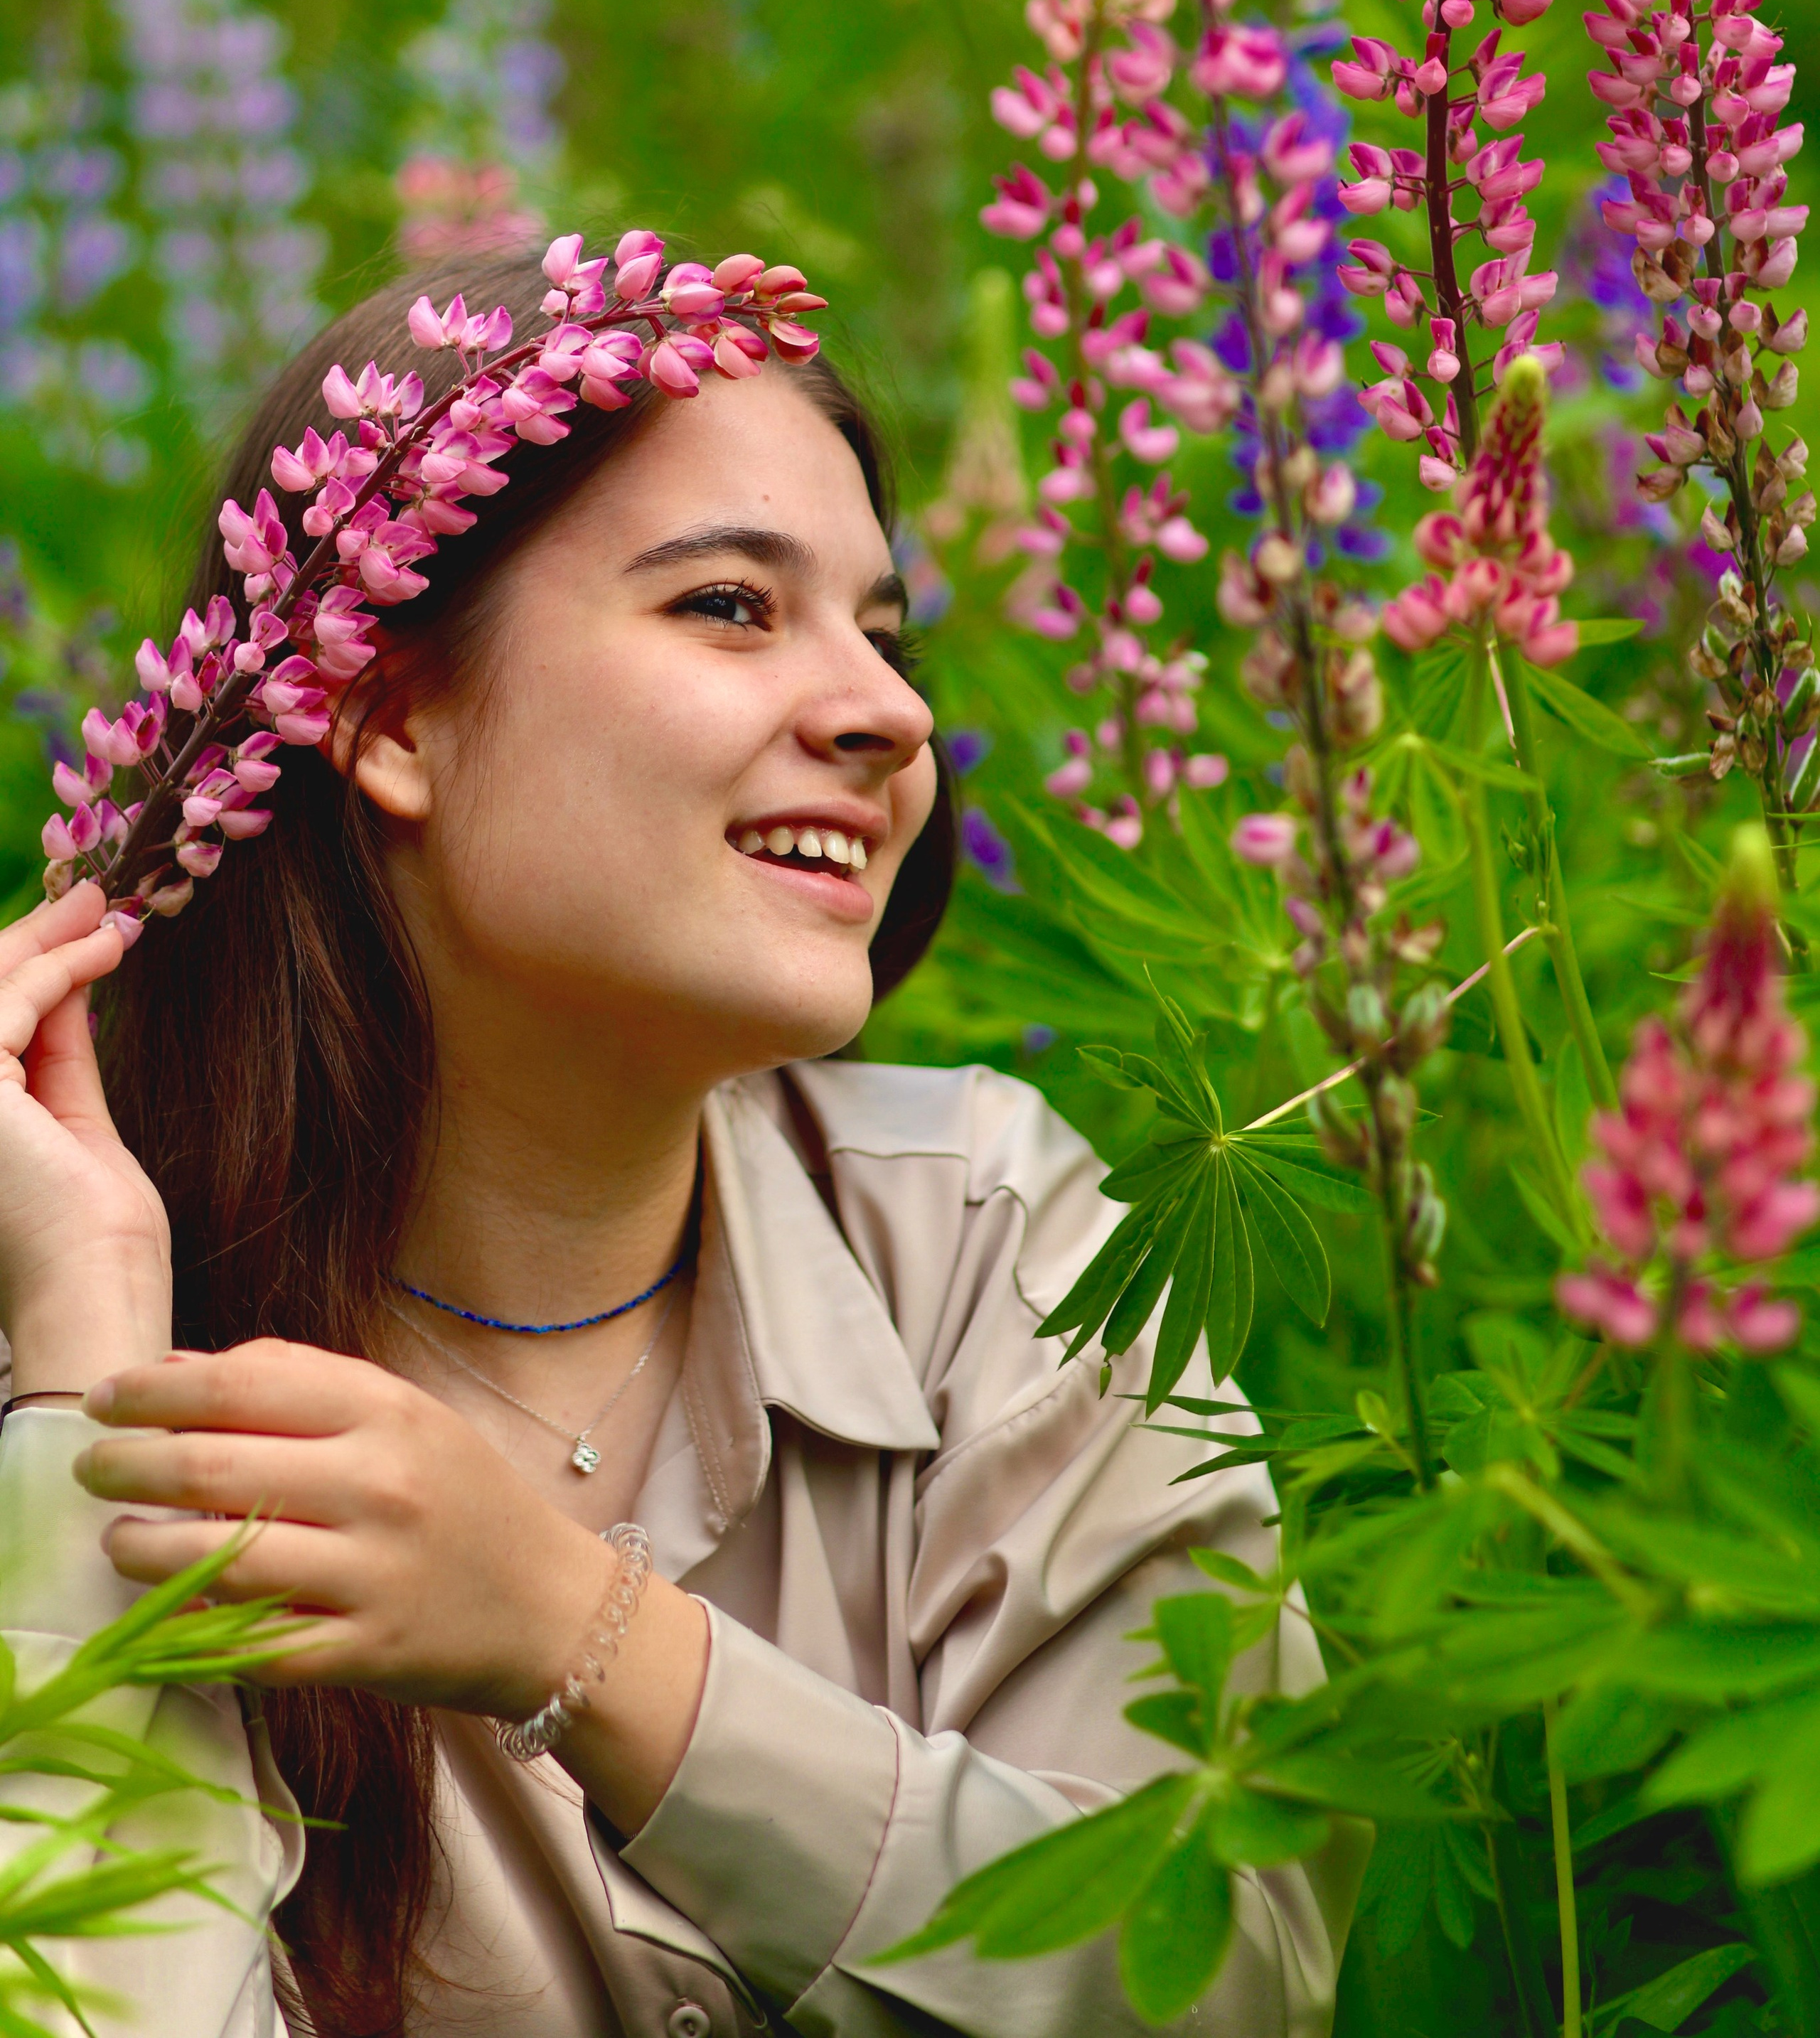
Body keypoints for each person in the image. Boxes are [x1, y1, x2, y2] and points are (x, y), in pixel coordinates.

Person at [0, 252, 1363, 2037]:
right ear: (386, 710)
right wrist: (90, 1384)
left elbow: (1230, 1981)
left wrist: (588, 1643)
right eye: (730, 606)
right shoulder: (72, 1333)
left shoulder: (989, 1241)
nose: (887, 713)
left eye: (882, 632)